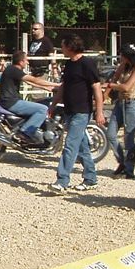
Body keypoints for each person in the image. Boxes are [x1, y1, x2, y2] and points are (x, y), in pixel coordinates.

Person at [49, 36, 105, 194]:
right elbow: (64, 86)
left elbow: (97, 88)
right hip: (70, 110)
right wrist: (53, 104)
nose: (61, 48)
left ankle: (62, 181)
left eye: (63, 45)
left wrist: (99, 111)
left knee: (70, 145)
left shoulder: (87, 64)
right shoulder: (69, 64)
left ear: (70, 47)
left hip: (82, 111)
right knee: (82, 147)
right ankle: (91, 178)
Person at [0, 51, 59, 143]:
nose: (27, 62)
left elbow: (29, 82)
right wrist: (57, 84)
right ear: (21, 62)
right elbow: (34, 80)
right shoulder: (14, 70)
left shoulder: (12, 70)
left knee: (41, 103)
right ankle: (25, 132)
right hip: (11, 102)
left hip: (10, 101)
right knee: (43, 109)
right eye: (26, 60)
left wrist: (48, 88)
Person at [104, 44, 135, 179]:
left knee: (129, 137)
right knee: (110, 134)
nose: (120, 57)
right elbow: (114, 78)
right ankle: (122, 161)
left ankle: (129, 169)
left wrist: (111, 85)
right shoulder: (124, 66)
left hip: (132, 103)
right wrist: (104, 95)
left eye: (122, 55)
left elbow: (127, 87)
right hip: (120, 103)